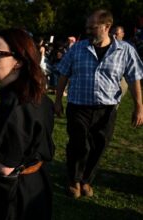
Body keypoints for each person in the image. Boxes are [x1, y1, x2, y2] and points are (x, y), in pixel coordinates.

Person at [0, 28, 54, 220]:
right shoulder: (38, 96)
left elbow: (5, 166)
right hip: (36, 185)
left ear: (19, 62)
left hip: (15, 196)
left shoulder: (14, 104)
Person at [54, 9, 143, 199]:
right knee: (79, 144)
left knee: (99, 146)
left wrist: (139, 107)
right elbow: (63, 74)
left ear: (107, 27)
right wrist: (58, 100)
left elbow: (134, 78)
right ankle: (74, 180)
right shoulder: (77, 48)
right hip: (78, 106)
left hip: (107, 109)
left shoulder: (125, 50)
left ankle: (86, 180)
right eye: (87, 27)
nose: (88, 31)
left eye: (92, 27)